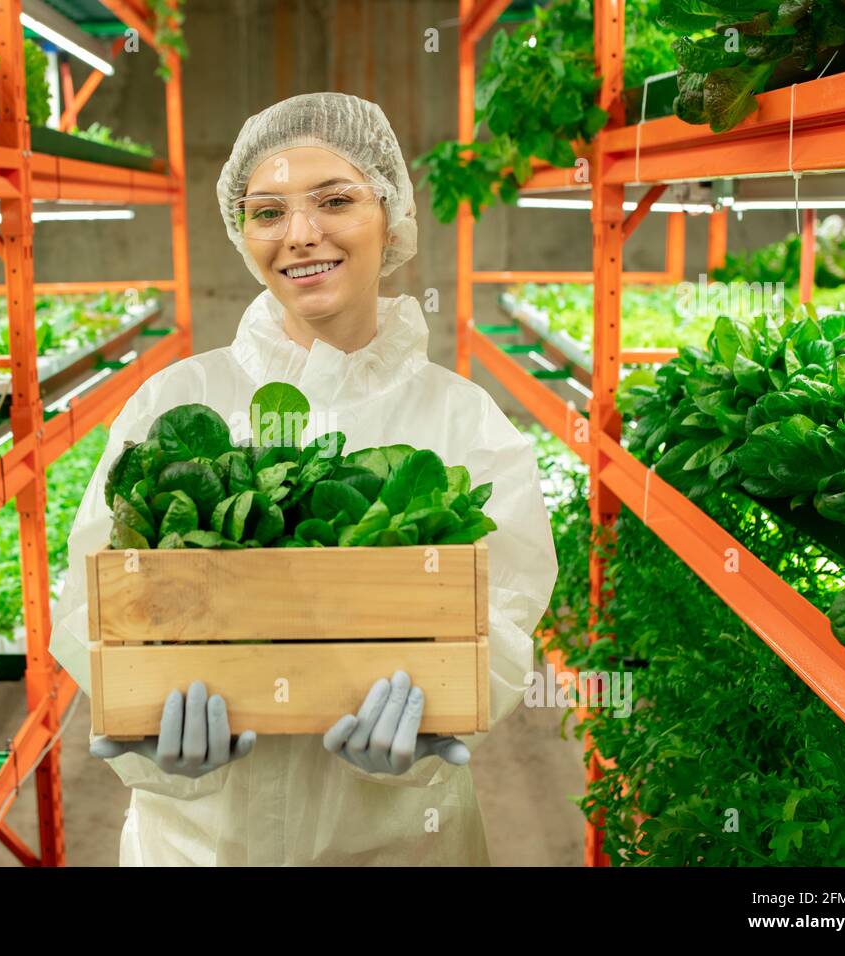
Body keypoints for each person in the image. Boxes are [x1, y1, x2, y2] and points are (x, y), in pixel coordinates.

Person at [49, 91, 557, 866]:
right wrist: (150, 740)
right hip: (199, 842)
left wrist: (431, 728)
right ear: (240, 230)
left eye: (335, 200)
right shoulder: (175, 401)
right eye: (267, 211)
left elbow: (506, 617)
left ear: (391, 215)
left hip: (400, 840)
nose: (301, 235)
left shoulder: (465, 423)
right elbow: (94, 603)